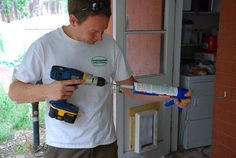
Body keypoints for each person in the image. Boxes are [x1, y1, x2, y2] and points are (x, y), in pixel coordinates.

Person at [8, 0, 191, 158]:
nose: (100, 37)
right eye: (94, 31)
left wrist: (171, 95)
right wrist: (47, 90)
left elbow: (132, 88)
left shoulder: (109, 45)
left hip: (105, 144)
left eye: (103, 30)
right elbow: (14, 91)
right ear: (73, 19)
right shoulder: (44, 46)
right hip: (65, 147)